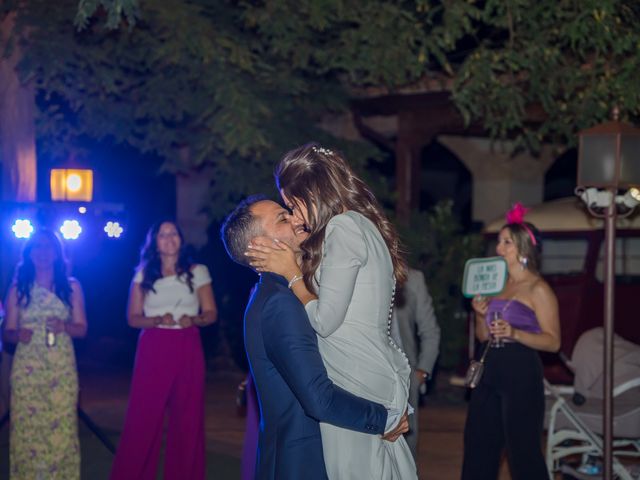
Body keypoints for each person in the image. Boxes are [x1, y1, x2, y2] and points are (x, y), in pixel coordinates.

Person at [246, 143, 417, 479]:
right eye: (287, 212)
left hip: (354, 377)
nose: (295, 217)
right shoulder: (358, 225)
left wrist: (294, 276)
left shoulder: (342, 227)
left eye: (292, 206)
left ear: (312, 192)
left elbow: (324, 321)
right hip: (366, 374)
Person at [110, 220, 218, 480]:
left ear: (181, 239)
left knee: (187, 417)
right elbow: (133, 318)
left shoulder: (198, 271)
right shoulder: (143, 273)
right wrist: (157, 320)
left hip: (187, 344)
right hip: (154, 346)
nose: (168, 238)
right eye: (162, 234)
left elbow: (211, 312)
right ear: (154, 242)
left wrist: (194, 319)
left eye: (173, 233)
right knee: (144, 416)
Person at [461, 203, 560, 480]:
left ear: (523, 249)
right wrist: (480, 315)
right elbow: (483, 336)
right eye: (500, 242)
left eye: (506, 242)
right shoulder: (497, 284)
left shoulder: (539, 288)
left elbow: (553, 342)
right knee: (478, 444)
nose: (499, 248)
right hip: (490, 366)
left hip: (520, 370)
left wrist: (515, 334)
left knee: (522, 449)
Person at [3, 230, 88, 480]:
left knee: (61, 427)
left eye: (48, 247)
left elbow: (82, 328)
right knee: (27, 428)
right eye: (37, 247)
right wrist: (17, 335)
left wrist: (65, 327)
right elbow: (7, 331)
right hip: (28, 368)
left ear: (57, 252)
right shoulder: (18, 289)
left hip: (60, 367)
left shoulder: (71, 287)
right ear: (28, 253)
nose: (43, 252)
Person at [392, 267, 440, 460]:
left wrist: (421, 372)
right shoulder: (355, 272)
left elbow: (430, 331)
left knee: (406, 450)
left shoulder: (413, 279)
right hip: (367, 374)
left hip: (406, 376)